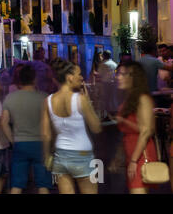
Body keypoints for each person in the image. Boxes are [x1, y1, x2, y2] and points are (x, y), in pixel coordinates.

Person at [41, 58, 102, 194]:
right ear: (69, 77)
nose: (81, 78)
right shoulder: (80, 99)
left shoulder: (48, 101)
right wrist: (89, 103)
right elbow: (96, 127)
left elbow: (46, 134)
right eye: (79, 74)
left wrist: (46, 157)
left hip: (61, 155)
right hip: (82, 155)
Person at [1, 64, 52, 194]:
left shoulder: (10, 98)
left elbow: (4, 122)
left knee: (17, 184)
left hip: (20, 143)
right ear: (35, 79)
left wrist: (12, 140)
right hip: (40, 144)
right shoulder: (44, 97)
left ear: (19, 80)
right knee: (43, 184)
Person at [110, 62, 159, 194]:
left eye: (123, 74)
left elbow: (147, 130)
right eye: (117, 73)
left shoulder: (143, 98)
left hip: (140, 154)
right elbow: (129, 131)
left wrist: (133, 160)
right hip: (131, 153)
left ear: (134, 77)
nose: (118, 77)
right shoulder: (129, 98)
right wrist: (120, 156)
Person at [97, 50, 118, 114]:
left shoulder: (102, 64)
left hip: (105, 84)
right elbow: (116, 73)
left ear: (104, 56)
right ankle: (114, 112)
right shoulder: (115, 64)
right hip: (114, 83)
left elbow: (99, 74)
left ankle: (108, 114)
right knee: (113, 98)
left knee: (106, 99)